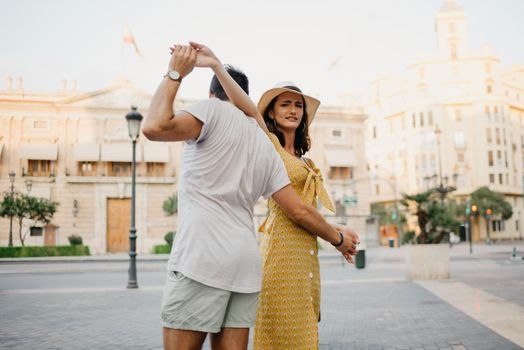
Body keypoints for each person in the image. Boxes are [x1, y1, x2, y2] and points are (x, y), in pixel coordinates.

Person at [143, 43, 359, 350]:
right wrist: (336, 235)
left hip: (203, 258)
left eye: (298, 106)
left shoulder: (212, 110)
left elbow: (153, 126)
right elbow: (295, 206)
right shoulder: (263, 142)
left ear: (210, 95)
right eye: (285, 105)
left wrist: (175, 73)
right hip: (244, 262)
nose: (293, 111)